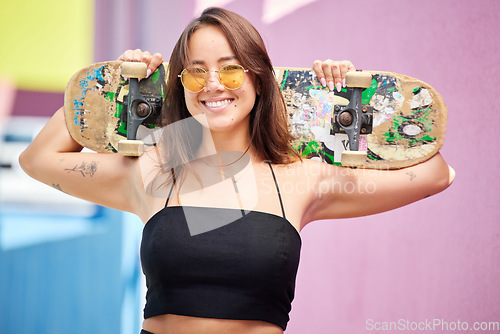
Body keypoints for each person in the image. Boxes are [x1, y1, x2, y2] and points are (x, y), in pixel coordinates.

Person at [19, 7, 454, 334]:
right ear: (180, 85)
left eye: (230, 70)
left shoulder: (302, 178)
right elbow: (37, 160)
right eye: (195, 73)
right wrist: (109, 82)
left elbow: (436, 173)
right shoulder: (154, 168)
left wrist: (349, 103)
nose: (213, 84)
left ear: (259, 78)